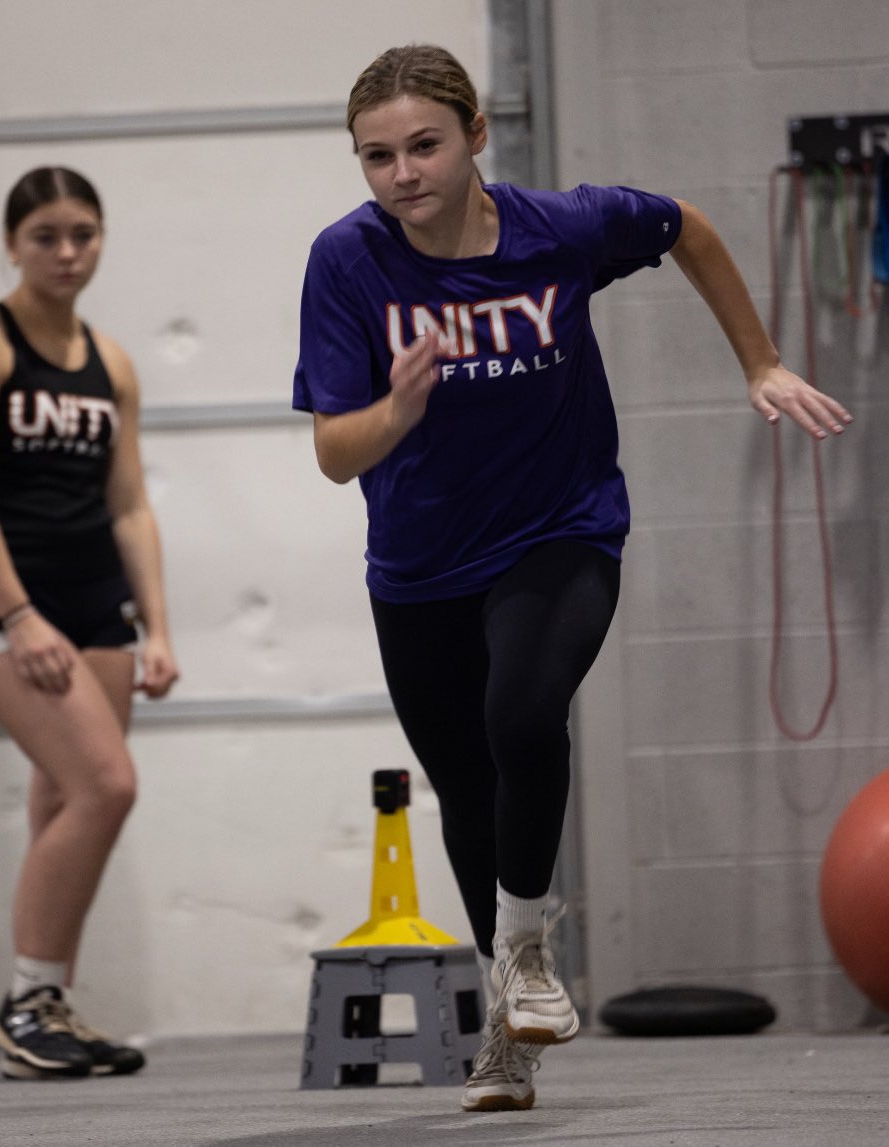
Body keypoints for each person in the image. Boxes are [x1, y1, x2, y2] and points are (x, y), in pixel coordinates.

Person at [292, 45, 851, 1113]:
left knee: (524, 704)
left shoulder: (563, 228)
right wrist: (394, 412)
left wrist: (760, 359)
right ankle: (512, 1026)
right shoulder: (348, 264)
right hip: (418, 564)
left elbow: (686, 224)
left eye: (424, 145)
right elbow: (333, 450)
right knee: (467, 788)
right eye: (376, 157)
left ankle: (530, 957)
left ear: (475, 136)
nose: (402, 173)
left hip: (562, 528)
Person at [0, 166, 179, 1080]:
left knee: (60, 796)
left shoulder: (111, 363)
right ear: (12, 244)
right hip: (10, 607)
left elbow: (128, 503)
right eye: (46, 237)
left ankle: (47, 1011)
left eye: (83, 233)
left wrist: (156, 628)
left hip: (97, 606)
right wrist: (18, 614)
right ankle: (26, 998)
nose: (67, 252)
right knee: (106, 785)